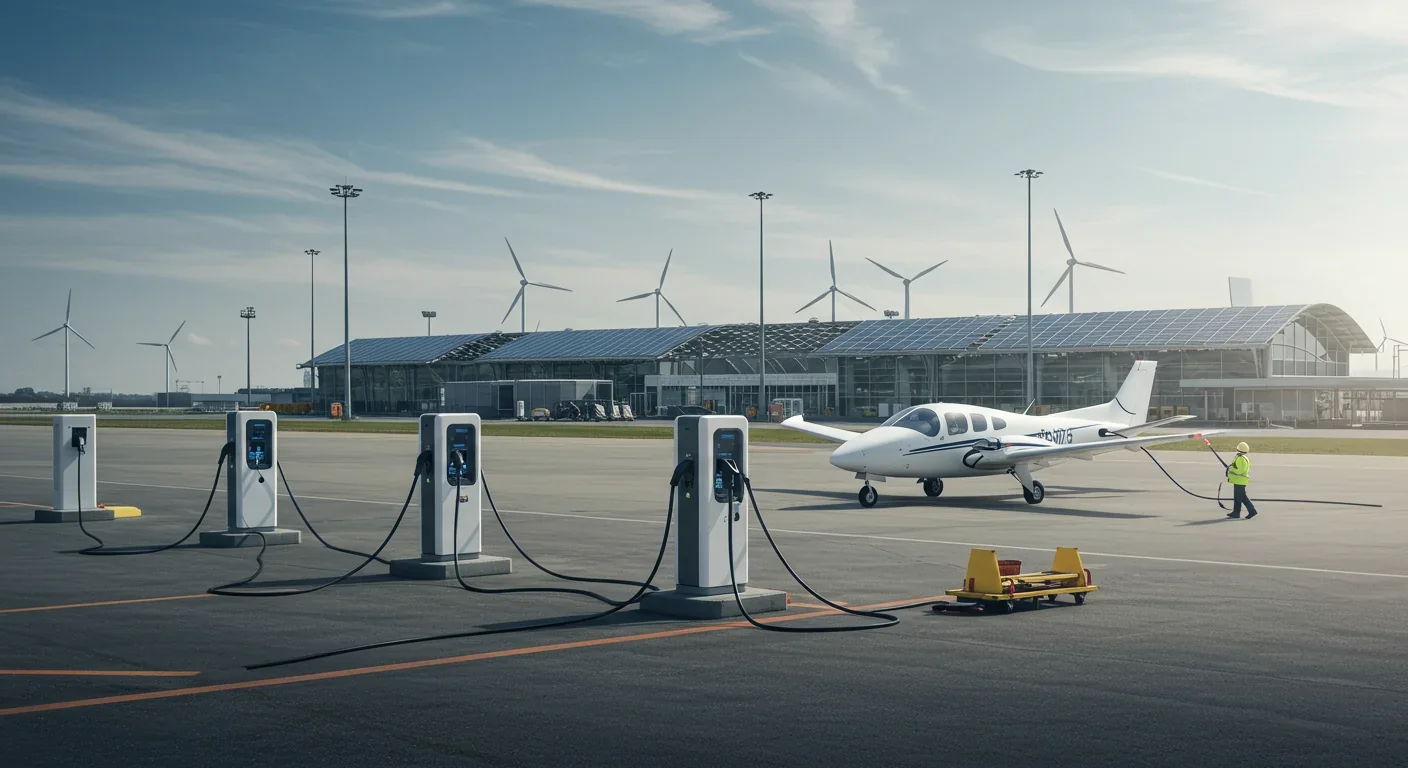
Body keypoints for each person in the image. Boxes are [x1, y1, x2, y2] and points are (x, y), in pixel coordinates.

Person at [1225, 442, 1257, 520]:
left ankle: (1252, 511)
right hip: (1239, 480)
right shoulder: (1243, 457)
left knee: (1242, 497)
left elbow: (1239, 470)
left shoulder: (1240, 458)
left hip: (1240, 480)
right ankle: (1236, 512)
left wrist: (1230, 469)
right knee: (1238, 497)